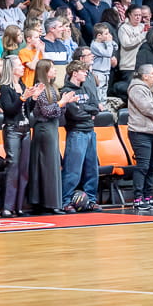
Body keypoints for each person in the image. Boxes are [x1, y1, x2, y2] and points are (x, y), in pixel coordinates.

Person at [27, 59, 74, 214]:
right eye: (52, 68)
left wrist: (65, 103)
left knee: (50, 164)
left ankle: (47, 201)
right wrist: (61, 103)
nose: (55, 70)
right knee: (49, 165)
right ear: (44, 71)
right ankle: (50, 203)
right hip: (44, 129)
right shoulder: (40, 88)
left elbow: (57, 112)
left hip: (51, 128)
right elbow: (47, 111)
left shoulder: (52, 87)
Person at [0, 55, 42, 217]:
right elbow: (9, 110)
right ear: (11, 69)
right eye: (19, 65)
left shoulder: (22, 85)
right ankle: (7, 206)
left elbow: (27, 110)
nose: (23, 68)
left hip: (25, 128)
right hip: (12, 129)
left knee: (24, 169)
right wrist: (23, 98)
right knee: (13, 166)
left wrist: (33, 98)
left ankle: (19, 206)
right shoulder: (4, 88)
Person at [61, 60, 102, 213]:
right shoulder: (66, 91)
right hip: (76, 132)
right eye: (83, 71)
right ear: (74, 73)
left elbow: (95, 107)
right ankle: (65, 201)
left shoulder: (86, 88)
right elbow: (74, 114)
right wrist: (88, 112)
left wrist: (85, 109)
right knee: (73, 170)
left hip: (90, 131)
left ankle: (91, 200)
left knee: (92, 169)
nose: (86, 74)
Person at [127, 63, 153, 210]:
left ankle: (148, 197)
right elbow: (149, 109)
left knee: (152, 166)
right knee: (143, 166)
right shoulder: (137, 88)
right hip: (140, 132)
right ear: (145, 76)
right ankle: (138, 199)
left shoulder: (150, 88)